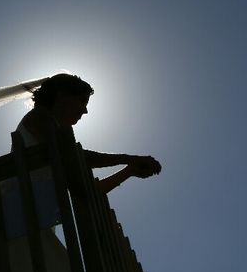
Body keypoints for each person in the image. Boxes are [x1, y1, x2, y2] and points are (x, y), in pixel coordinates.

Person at [19, 73, 161, 194]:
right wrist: (129, 158)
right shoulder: (39, 116)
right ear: (63, 96)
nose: (85, 111)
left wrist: (129, 171)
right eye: (82, 101)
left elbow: (89, 190)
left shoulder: (56, 138)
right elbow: (75, 157)